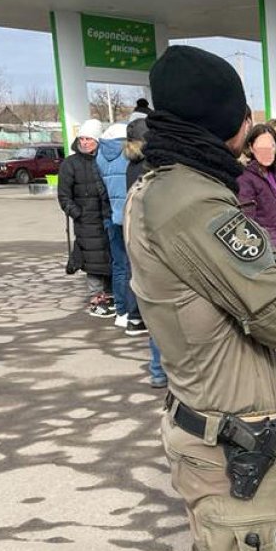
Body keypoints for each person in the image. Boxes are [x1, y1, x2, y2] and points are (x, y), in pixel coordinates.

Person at [125, 45, 276, 551]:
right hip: (233, 442)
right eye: (244, 110)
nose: (252, 122)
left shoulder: (160, 185)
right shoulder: (195, 203)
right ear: (226, 120)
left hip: (208, 420)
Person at [58, 119, 113, 317]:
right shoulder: (70, 164)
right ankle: (96, 298)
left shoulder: (105, 159)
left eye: (89, 139)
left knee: (110, 256)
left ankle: (110, 294)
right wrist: (77, 213)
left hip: (107, 216)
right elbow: (64, 195)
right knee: (93, 260)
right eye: (82, 138)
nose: (85, 142)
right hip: (86, 221)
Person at [124, 118, 164, 386]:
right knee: (165, 317)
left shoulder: (130, 166)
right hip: (156, 245)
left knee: (156, 315)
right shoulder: (151, 170)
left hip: (137, 241)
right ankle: (160, 369)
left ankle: (158, 370)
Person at [96, 122, 138, 331]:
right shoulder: (128, 154)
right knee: (135, 268)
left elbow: (100, 188)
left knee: (119, 266)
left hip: (112, 216)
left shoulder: (100, 156)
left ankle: (121, 311)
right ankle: (135, 313)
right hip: (131, 216)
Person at [238, 124, 276, 252]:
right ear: (251, 147)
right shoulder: (245, 178)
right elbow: (247, 220)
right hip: (271, 248)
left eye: (271, 146)